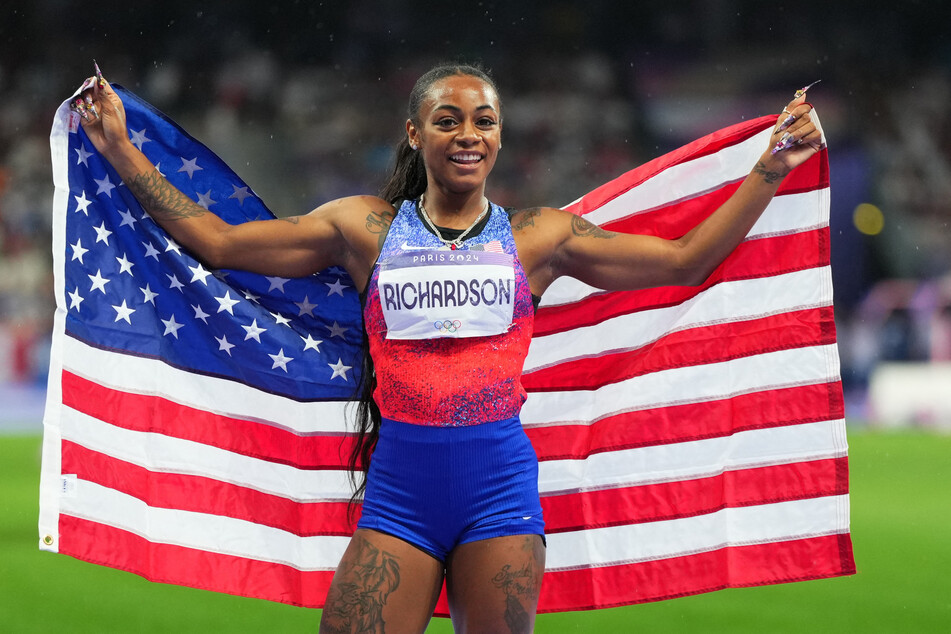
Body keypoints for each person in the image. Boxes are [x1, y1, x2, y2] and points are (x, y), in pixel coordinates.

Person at [75, 62, 821, 633]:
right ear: (415, 133)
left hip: (497, 490)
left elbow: (686, 259)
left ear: (499, 135)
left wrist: (768, 169)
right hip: (401, 493)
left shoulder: (540, 236)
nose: (468, 132)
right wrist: (120, 146)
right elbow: (219, 241)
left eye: (484, 120)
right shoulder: (360, 227)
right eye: (448, 118)